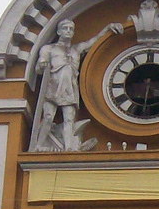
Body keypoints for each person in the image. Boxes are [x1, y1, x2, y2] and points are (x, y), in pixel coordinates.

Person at [29, 19, 123, 151]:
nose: (68, 31)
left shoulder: (76, 50)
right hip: (52, 88)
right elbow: (39, 68)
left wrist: (108, 28)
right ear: (58, 31)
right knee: (48, 117)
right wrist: (42, 64)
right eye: (65, 28)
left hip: (70, 90)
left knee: (69, 120)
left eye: (71, 29)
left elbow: (94, 41)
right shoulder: (49, 49)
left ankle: (68, 149)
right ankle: (38, 145)